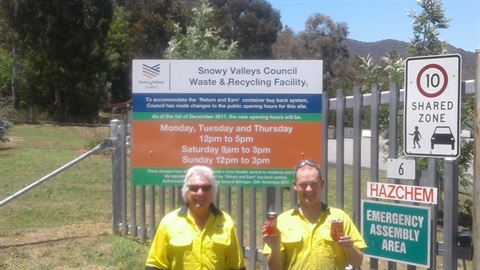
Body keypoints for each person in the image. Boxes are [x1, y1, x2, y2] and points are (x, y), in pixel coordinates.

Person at [262, 159, 367, 270]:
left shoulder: (339, 217)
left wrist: (350, 247)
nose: (309, 189)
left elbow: (357, 262)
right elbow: (275, 268)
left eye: (313, 184)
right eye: (303, 185)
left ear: (322, 184)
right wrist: (275, 247)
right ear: (295, 185)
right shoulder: (283, 221)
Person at [145, 165, 246, 270]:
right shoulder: (169, 222)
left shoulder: (226, 222)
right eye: (194, 188)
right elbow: (155, 265)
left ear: (213, 191)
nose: (200, 193)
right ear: (185, 191)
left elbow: (235, 265)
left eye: (206, 188)